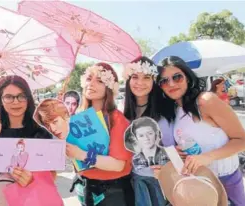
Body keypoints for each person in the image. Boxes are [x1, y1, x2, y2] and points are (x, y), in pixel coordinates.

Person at [156, 56, 245, 205]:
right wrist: (181, 154)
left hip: (226, 181)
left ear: (188, 78)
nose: (171, 84)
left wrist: (207, 157)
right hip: (197, 185)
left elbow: (241, 140)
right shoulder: (174, 111)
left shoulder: (206, 101)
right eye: (164, 81)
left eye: (177, 77)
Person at [0, 75, 55, 203]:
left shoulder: (42, 133)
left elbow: (51, 176)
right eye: (8, 97)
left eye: (21, 96)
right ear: (0, 100)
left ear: (28, 99)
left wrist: (33, 180)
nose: (16, 101)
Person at [67, 63, 134, 206]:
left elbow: (118, 165)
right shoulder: (77, 118)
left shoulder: (117, 120)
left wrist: (80, 154)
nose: (91, 84)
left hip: (113, 193)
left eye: (99, 81)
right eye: (89, 78)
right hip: (86, 188)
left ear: (109, 87)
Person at [123, 56, 171, 206]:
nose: (140, 83)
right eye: (135, 77)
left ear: (154, 81)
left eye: (147, 77)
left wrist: (168, 169)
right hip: (134, 181)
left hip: (163, 181)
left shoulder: (167, 110)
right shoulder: (122, 113)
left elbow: (174, 146)